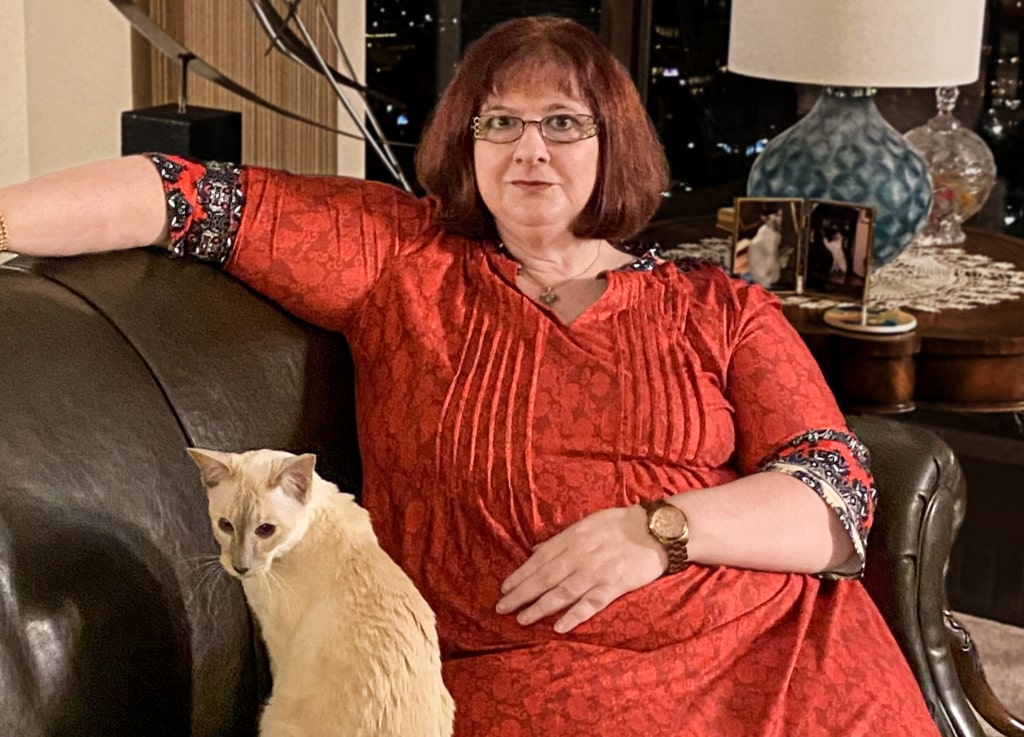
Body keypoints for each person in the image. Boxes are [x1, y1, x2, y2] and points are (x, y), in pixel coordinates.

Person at [0, 16, 940, 737]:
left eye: (563, 124)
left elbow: (837, 492)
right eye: (502, 122)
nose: (530, 149)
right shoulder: (400, 258)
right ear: (469, 141)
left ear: (615, 143)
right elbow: (182, 193)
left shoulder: (721, 306)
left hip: (782, 656)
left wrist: (658, 529)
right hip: (536, 682)